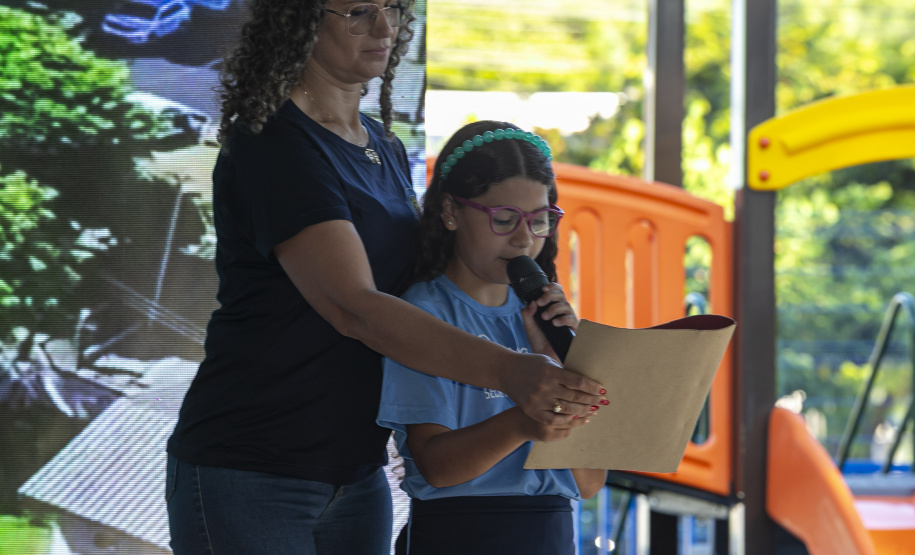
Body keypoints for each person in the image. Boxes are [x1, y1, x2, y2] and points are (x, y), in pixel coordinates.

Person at [164, 2, 606, 554]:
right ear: (299, 21)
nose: (385, 28)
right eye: (358, 11)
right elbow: (353, 306)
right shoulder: (274, 143)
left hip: (357, 472)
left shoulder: (384, 146)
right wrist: (511, 373)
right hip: (254, 464)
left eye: (393, 9)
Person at [377, 121, 609, 555]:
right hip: (461, 533)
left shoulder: (545, 319)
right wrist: (523, 421)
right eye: (504, 220)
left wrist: (562, 359)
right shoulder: (423, 316)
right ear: (450, 211)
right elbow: (437, 466)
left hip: (552, 531)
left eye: (540, 221)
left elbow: (589, 481)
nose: (524, 239)